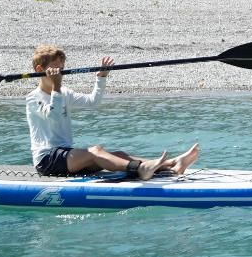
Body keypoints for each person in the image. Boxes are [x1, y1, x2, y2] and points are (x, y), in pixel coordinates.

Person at [25, 46, 198, 180]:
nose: (60, 74)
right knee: (96, 151)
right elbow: (53, 117)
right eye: (55, 69)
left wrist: (101, 77)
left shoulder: (65, 92)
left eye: (61, 69)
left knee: (119, 155)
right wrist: (56, 87)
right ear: (40, 69)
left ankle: (172, 164)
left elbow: (93, 102)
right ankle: (140, 169)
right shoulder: (33, 99)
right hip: (47, 160)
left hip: (66, 154)